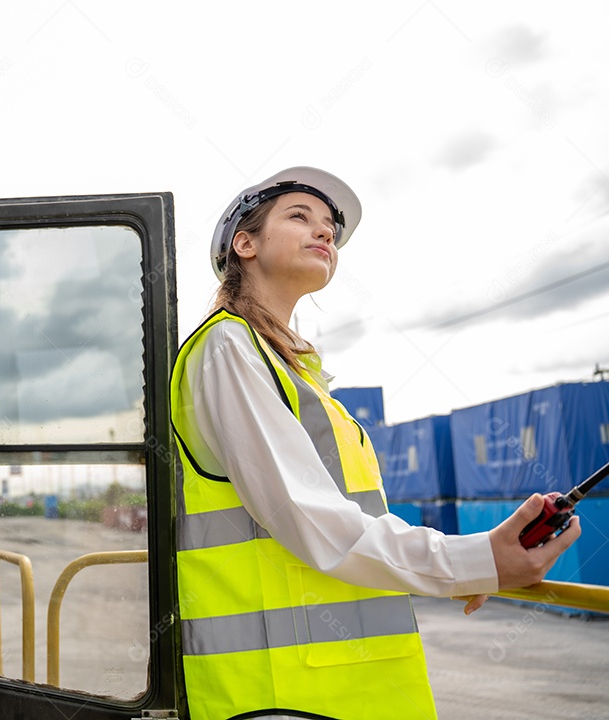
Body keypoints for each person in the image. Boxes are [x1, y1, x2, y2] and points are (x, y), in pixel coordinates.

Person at [169, 167, 581, 720]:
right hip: (279, 695)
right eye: (300, 217)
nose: (325, 233)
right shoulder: (228, 347)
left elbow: (348, 517)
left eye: (330, 227)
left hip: (343, 687)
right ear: (246, 244)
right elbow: (311, 518)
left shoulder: (293, 373)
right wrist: (472, 560)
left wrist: (466, 568)